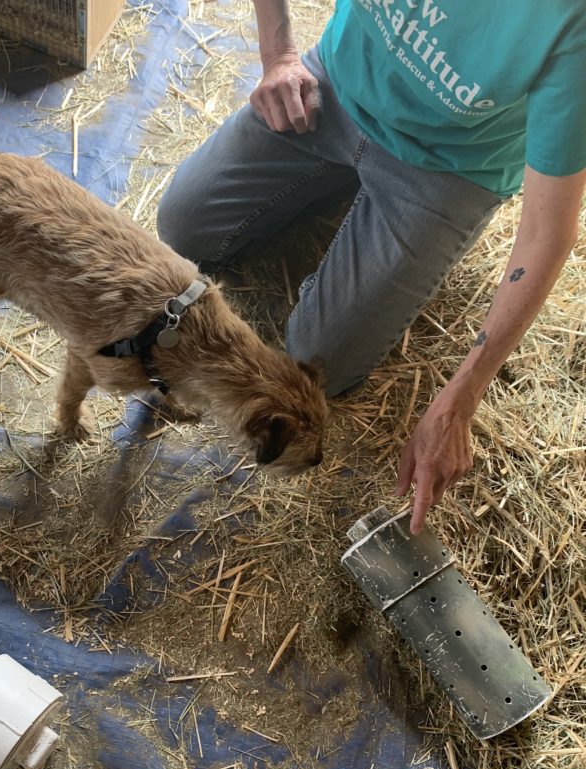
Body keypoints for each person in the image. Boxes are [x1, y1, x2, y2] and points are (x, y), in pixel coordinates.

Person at [157, 0, 586, 533]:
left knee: (318, 360)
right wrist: (279, 56)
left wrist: (461, 397)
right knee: (184, 226)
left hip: (445, 165)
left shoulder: (570, 20)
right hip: (335, 88)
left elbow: (547, 233)